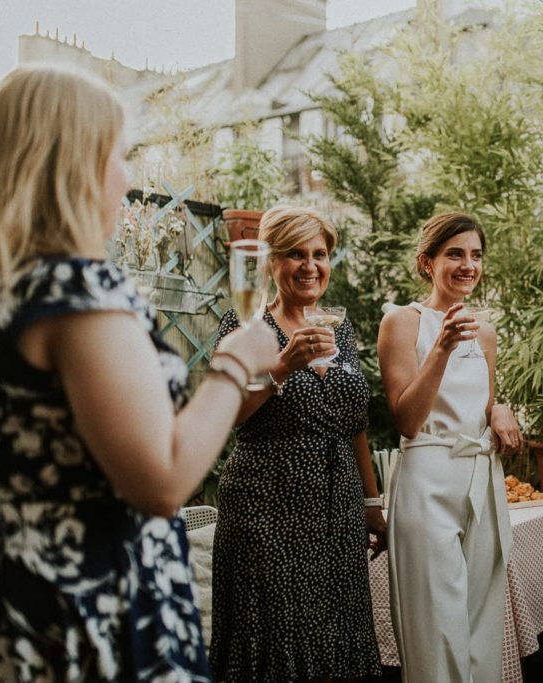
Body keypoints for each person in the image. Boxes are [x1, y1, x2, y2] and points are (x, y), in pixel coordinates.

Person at [0, 65, 277, 680]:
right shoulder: (76, 291)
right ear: (72, 164)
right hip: (93, 603)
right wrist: (237, 361)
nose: (126, 179)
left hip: (5, 600)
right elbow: (160, 480)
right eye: (120, 156)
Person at [209, 206, 384, 682]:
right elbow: (227, 416)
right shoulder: (244, 325)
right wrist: (281, 368)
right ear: (271, 262)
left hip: (336, 508)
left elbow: (354, 424)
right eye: (295, 254)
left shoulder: (338, 327)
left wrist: (371, 503)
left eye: (320, 254)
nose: (310, 266)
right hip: (266, 508)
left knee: (333, 641)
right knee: (275, 645)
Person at [377, 212, 522, 683]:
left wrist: (499, 410)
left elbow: (480, 405)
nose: (468, 265)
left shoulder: (486, 332)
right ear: (427, 262)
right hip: (427, 482)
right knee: (436, 629)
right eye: (455, 254)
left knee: (481, 627)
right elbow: (408, 420)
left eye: (476, 255)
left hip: (482, 480)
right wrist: (439, 348)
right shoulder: (401, 321)